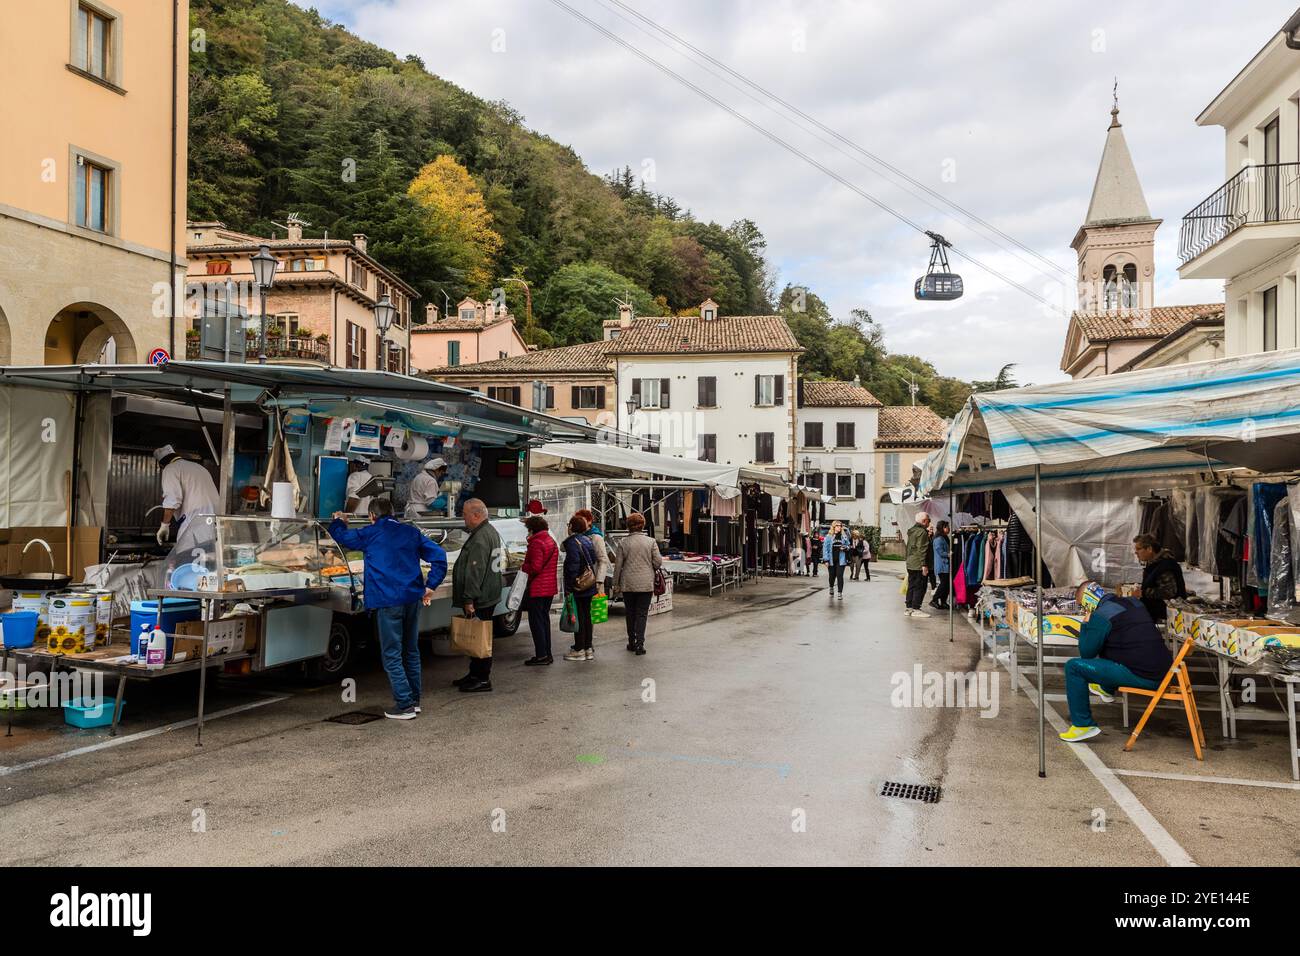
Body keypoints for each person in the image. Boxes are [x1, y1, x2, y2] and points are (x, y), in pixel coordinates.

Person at [328, 500, 446, 720]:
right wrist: (431, 585)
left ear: (372, 515)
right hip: (412, 598)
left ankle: (404, 705)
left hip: (388, 599)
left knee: (391, 654)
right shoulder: (411, 532)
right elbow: (439, 555)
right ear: (393, 513)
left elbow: (342, 538)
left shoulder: (370, 533)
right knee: (410, 650)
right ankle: (414, 700)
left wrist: (338, 522)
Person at [1059, 581, 1173, 743]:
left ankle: (1082, 725)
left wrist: (1086, 624)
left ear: (1087, 601)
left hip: (1144, 675)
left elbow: (1086, 653)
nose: (1083, 609)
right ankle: (1106, 688)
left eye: (1082, 605)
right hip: (1166, 670)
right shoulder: (1134, 602)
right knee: (1113, 644)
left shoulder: (1101, 615)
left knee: (1074, 667)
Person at [450, 499, 503, 693]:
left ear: (476, 515)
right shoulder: (490, 531)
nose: (463, 517)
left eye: (464, 514)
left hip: (481, 597)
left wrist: (469, 599)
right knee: (480, 635)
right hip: (489, 593)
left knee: (481, 637)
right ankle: (474, 673)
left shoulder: (480, 538)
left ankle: (482, 678)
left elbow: (475, 571)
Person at [154, 445, 222, 553]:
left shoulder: (170, 469)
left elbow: (173, 500)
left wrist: (164, 525)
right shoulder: (199, 467)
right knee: (209, 563)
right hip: (214, 525)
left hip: (194, 526)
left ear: (162, 464)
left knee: (186, 561)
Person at [612, 511, 662, 655]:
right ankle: (640, 644)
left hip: (628, 584)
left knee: (630, 613)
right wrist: (650, 566)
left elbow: (618, 566)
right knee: (641, 614)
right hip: (646, 583)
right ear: (642, 525)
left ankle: (631, 642)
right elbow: (658, 562)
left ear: (628, 526)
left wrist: (616, 584)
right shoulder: (651, 541)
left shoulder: (623, 543)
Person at [520, 514, 559, 666]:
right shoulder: (550, 540)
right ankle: (547, 653)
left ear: (532, 529)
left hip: (538, 588)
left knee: (536, 622)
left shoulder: (536, 543)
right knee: (544, 620)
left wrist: (523, 566)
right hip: (549, 587)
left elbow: (535, 567)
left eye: (528, 529)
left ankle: (541, 655)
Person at [561, 514, 599, 662]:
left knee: (578, 616)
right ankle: (588, 647)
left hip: (578, 585)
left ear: (571, 527)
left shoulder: (572, 542)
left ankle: (579, 649)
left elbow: (573, 566)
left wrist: (569, 587)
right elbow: (593, 559)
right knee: (586, 616)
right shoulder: (588, 540)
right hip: (589, 583)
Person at [1133, 533, 1186, 624]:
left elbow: (1169, 592)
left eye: (1138, 549)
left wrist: (1143, 592)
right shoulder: (1154, 563)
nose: (1136, 552)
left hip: (1164, 618)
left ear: (1149, 549)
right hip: (1155, 614)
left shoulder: (1165, 565)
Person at [573, 508, 610, 594]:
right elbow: (563, 548)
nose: (579, 524)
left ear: (589, 521)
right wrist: (571, 534)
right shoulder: (576, 536)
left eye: (582, 520)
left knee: (595, 606)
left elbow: (603, 560)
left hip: (593, 580)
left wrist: (599, 580)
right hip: (579, 581)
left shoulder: (596, 537)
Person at [904, 513, 932, 618]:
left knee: (911, 585)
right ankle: (916, 608)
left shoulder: (912, 531)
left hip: (911, 562)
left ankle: (909, 608)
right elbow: (922, 549)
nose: (929, 522)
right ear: (924, 521)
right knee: (920, 586)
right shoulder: (922, 532)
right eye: (929, 520)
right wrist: (924, 564)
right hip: (918, 564)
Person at [823, 520, 852, 599]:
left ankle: (840, 593)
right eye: (838, 526)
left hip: (841, 560)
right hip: (831, 560)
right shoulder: (829, 537)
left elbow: (849, 546)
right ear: (834, 527)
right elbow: (825, 549)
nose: (839, 527)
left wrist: (845, 548)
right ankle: (831, 587)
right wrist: (826, 560)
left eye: (840, 526)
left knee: (840, 576)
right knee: (832, 576)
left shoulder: (844, 536)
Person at [929, 520, 951, 611]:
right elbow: (940, 551)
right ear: (942, 528)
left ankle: (943, 601)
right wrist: (949, 554)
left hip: (945, 564)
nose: (948, 528)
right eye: (946, 527)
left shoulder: (944, 537)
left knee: (947, 584)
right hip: (942, 565)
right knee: (944, 584)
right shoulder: (938, 538)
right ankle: (934, 600)